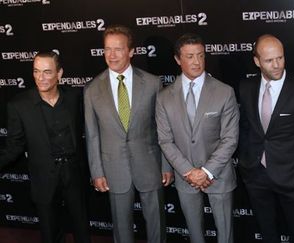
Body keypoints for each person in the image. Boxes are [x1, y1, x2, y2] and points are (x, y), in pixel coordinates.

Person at [84, 25, 173, 243]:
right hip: (114, 169)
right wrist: (97, 171)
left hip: (150, 165)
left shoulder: (152, 83)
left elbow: (162, 128)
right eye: (107, 49)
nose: (112, 55)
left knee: (156, 225)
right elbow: (92, 135)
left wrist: (166, 165)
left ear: (131, 51)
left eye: (118, 49)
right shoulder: (92, 89)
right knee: (121, 229)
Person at [237, 34, 294, 243]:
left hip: (292, 177)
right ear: (257, 61)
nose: (276, 65)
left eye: (280, 58)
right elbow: (245, 127)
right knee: (267, 232)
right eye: (269, 60)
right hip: (255, 174)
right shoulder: (246, 88)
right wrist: (246, 162)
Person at [156, 33, 239, 243]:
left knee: (225, 235)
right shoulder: (164, 97)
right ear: (177, 59)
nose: (196, 61)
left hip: (218, 175)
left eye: (200, 55)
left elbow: (230, 138)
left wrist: (206, 171)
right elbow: (165, 140)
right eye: (190, 56)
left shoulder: (224, 92)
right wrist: (188, 172)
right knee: (195, 235)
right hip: (186, 178)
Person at [0, 51, 91, 243]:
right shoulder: (18, 105)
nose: (40, 78)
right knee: (50, 234)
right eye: (36, 71)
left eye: (47, 72)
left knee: (82, 229)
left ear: (59, 74)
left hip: (74, 174)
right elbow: (13, 148)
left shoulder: (75, 98)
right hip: (44, 179)